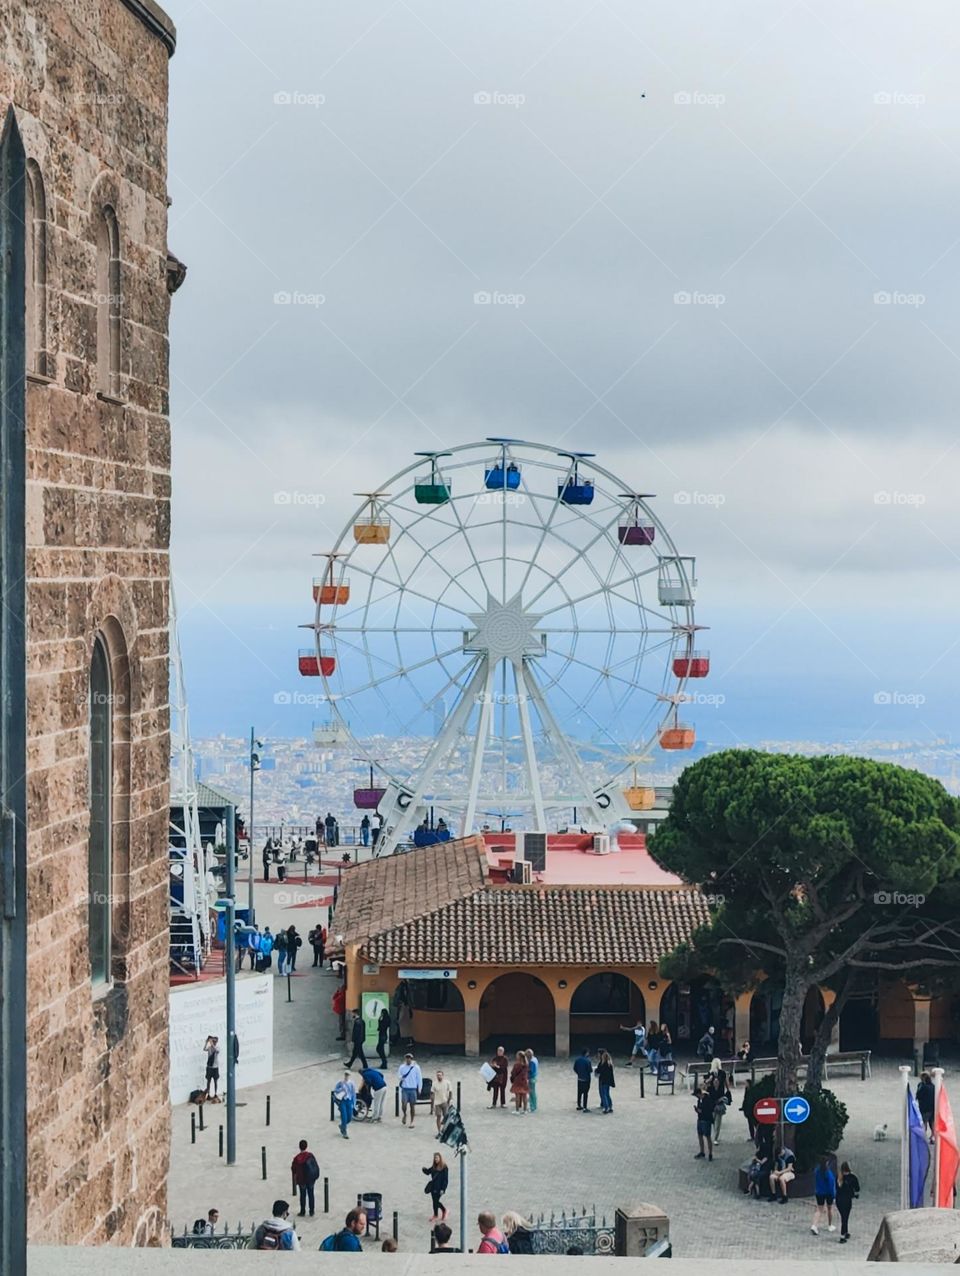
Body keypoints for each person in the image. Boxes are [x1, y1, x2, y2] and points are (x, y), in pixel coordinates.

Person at [290, 1139, 320, 1217]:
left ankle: (302, 1211)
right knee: (311, 1194)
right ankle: (311, 1211)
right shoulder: (310, 1155)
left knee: (302, 1195)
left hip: (302, 1179)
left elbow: (293, 1168)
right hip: (310, 1179)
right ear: (306, 1146)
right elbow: (315, 1165)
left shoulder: (297, 1158)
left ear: (299, 1147)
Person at [835, 1161, 860, 1243]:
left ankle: (845, 1232)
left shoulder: (838, 1177)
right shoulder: (852, 1177)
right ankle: (842, 1235)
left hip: (839, 1200)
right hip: (847, 1200)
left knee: (843, 1216)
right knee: (845, 1218)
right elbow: (857, 1189)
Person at [811, 1157, 837, 1235]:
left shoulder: (817, 1171)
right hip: (828, 1193)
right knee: (830, 1208)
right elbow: (831, 1184)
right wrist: (834, 1195)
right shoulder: (828, 1173)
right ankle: (830, 1225)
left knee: (819, 1209)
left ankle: (814, 1225)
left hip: (819, 1192)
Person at [398, 1052, 423, 1126]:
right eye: (407, 1058)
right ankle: (405, 1114)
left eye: (409, 1058)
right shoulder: (402, 1067)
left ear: (411, 1059)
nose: (408, 1059)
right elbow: (399, 1075)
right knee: (404, 1104)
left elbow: (419, 1078)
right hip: (405, 1088)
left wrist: (419, 1088)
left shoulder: (416, 1067)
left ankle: (412, 1121)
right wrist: (401, 1078)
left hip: (413, 1088)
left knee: (412, 1105)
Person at [423, 1152, 449, 1222]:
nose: (436, 1159)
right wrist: (424, 1170)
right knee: (434, 1201)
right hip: (433, 1187)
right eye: (435, 1158)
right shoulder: (434, 1167)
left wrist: (443, 1189)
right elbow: (428, 1172)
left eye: (437, 1158)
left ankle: (443, 1211)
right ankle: (436, 1214)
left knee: (436, 1201)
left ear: (440, 1158)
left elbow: (445, 1180)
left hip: (440, 1188)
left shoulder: (444, 1167)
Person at [694, 1081, 716, 1160]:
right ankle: (702, 1151)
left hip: (706, 1120)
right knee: (700, 1136)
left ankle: (710, 1153)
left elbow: (709, 1110)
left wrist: (701, 1111)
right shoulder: (699, 1100)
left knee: (707, 1137)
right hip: (700, 1119)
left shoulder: (707, 1099)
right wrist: (697, 1111)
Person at [710, 1069, 732, 1144]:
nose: (716, 1083)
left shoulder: (720, 1090)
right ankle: (715, 1136)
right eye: (715, 1082)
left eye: (717, 1082)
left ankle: (715, 1137)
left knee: (718, 1123)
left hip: (719, 1107)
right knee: (713, 1122)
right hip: (713, 1107)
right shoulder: (710, 1089)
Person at [333, 1071, 356, 1139]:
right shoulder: (340, 1082)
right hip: (342, 1101)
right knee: (344, 1116)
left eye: (348, 1075)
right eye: (346, 1075)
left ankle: (342, 1126)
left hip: (349, 1101)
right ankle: (344, 1132)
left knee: (349, 1117)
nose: (346, 1076)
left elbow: (353, 1093)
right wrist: (341, 1089)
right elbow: (335, 1090)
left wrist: (354, 1103)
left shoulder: (351, 1083)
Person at [595, 1049, 616, 1113]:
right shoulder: (609, 1064)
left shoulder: (602, 1064)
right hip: (608, 1080)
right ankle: (610, 1106)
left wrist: (596, 1070)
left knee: (603, 1094)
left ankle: (606, 1107)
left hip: (603, 1080)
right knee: (607, 1093)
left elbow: (599, 1071)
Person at [917, 1071, 936, 1141]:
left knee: (924, 1121)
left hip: (924, 1108)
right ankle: (933, 1136)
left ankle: (923, 1137)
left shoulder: (922, 1086)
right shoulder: (933, 1086)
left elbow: (918, 1096)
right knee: (932, 1122)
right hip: (933, 1107)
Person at [203, 1035, 220, 1101]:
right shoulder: (209, 1047)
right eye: (213, 1041)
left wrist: (212, 1044)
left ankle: (215, 1093)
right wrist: (206, 1042)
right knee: (208, 1081)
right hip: (209, 1067)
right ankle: (208, 1094)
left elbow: (216, 1051)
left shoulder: (217, 1048)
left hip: (215, 1067)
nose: (213, 1042)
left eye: (215, 1041)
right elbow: (204, 1049)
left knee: (215, 1081)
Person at [525, 1048, 539, 1113]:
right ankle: (534, 1106)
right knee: (533, 1093)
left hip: (531, 1078)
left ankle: (532, 1107)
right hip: (535, 1077)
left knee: (531, 1093)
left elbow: (531, 1071)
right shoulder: (535, 1059)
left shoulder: (532, 1062)